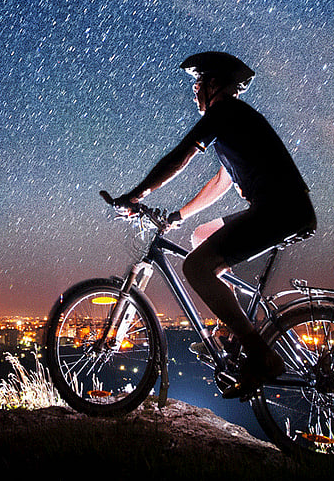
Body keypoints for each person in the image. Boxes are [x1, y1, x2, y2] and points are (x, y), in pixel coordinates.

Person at [112, 51, 316, 399]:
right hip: (279, 208)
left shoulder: (225, 112)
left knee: (196, 268)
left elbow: (180, 157)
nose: (194, 91)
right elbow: (220, 183)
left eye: (198, 83)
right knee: (200, 236)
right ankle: (234, 331)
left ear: (214, 85)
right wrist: (179, 215)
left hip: (279, 210)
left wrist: (135, 194)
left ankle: (260, 353)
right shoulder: (234, 123)